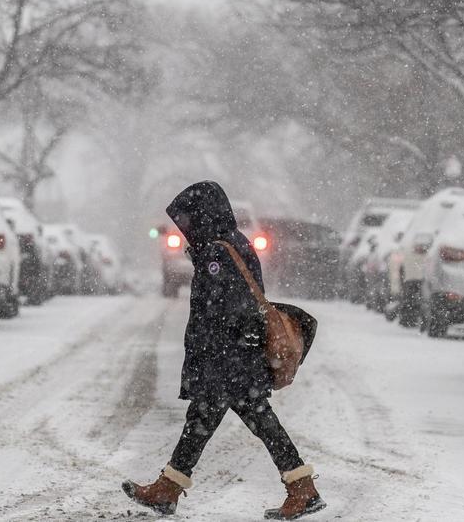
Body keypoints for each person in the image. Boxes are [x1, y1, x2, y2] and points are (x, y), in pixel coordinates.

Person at [122, 181, 325, 520]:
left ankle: (300, 488)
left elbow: (232, 308)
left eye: (188, 221)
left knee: (222, 418)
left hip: (228, 359)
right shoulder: (233, 242)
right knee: (225, 418)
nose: (186, 229)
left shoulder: (218, 251)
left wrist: (218, 350)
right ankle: (299, 487)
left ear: (204, 216)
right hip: (233, 359)